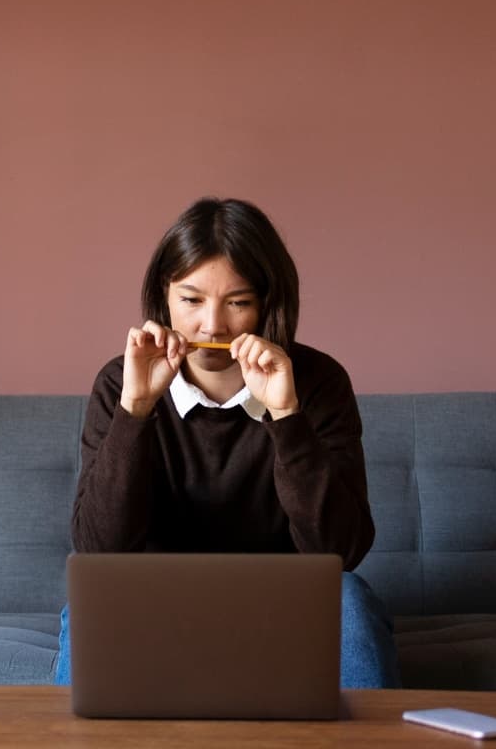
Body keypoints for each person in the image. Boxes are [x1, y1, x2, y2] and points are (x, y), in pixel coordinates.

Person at [56, 196, 400, 688]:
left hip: (287, 605)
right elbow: (97, 550)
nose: (211, 325)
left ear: (266, 303)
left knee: (350, 598)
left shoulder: (318, 382)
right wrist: (135, 411)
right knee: (91, 603)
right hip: (151, 604)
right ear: (165, 296)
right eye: (191, 300)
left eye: (237, 302)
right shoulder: (119, 383)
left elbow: (340, 553)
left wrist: (286, 416)